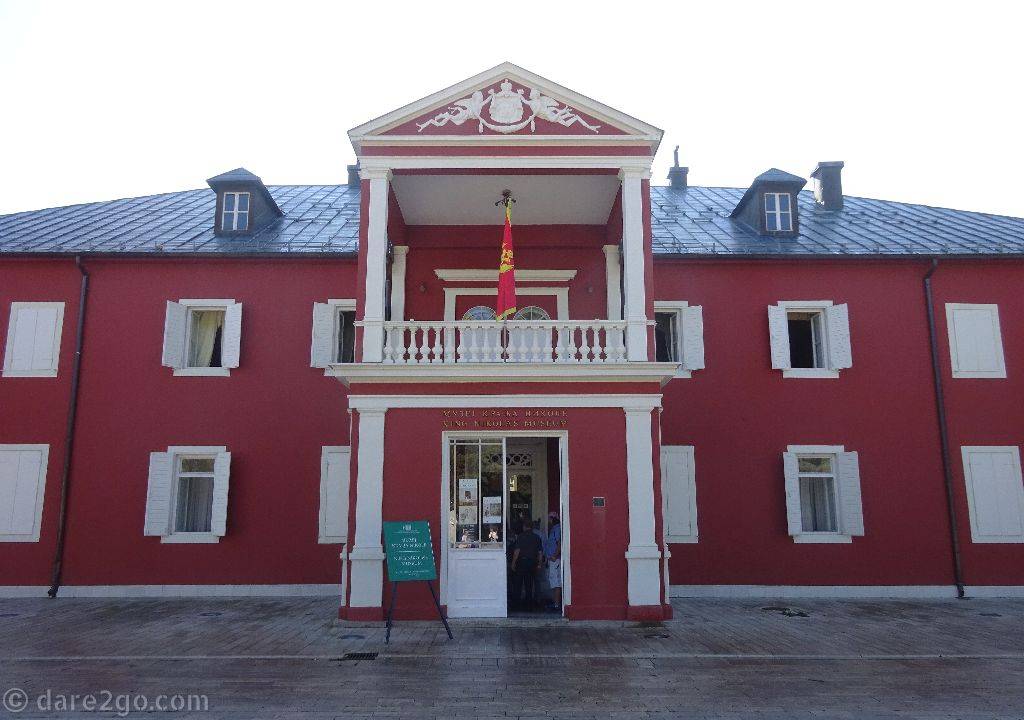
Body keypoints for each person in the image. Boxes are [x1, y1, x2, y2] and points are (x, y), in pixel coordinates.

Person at [509, 518, 543, 611]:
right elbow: (540, 553)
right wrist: (539, 564)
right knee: (529, 585)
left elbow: (517, 551)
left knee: (518, 584)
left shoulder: (520, 537)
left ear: (524, 527)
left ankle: (517, 605)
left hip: (521, 562)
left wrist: (513, 563)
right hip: (532, 563)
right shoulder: (537, 538)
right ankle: (529, 605)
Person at [543, 512, 562, 612]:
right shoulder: (554, 529)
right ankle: (555, 603)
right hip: (551, 560)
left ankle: (556, 605)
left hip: (556, 560)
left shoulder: (557, 528)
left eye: (550, 519)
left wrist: (555, 555)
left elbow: (559, 543)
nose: (549, 521)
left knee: (556, 582)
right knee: (553, 582)